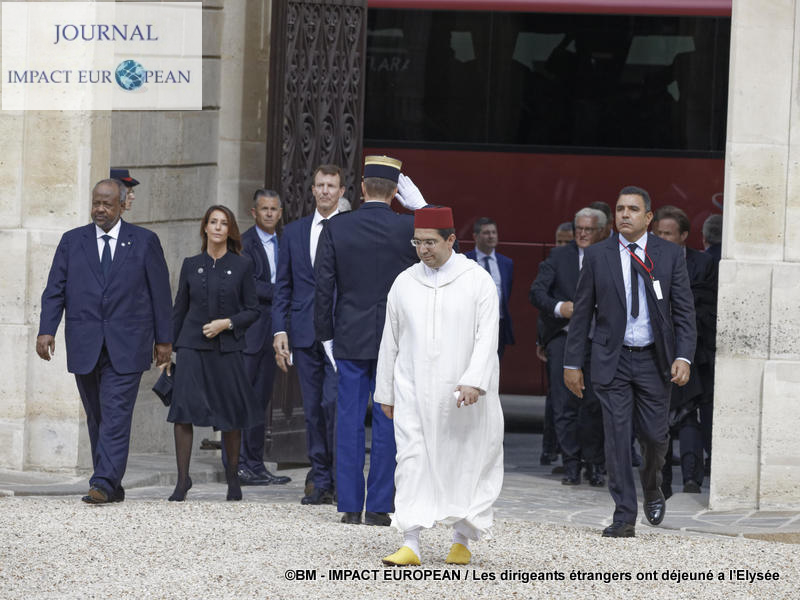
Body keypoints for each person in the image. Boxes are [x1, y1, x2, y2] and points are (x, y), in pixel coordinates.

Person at [564, 186, 696, 538]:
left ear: (648, 217)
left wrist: (683, 356)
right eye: (620, 208)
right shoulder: (597, 256)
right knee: (618, 438)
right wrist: (572, 363)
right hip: (613, 359)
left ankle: (652, 485)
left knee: (654, 436)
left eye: (633, 209)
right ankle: (624, 514)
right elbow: (581, 316)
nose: (625, 214)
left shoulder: (669, 255)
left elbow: (683, 312)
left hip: (655, 360)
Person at [376, 206, 504, 566]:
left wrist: (474, 381)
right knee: (411, 462)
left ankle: (461, 539)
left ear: (451, 239)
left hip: (462, 396)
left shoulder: (476, 280)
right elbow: (391, 340)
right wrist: (385, 391)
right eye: (418, 242)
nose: (423, 249)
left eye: (431, 242)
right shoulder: (404, 282)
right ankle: (411, 542)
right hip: (412, 390)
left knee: (463, 463)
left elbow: (486, 337)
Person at [36, 179, 172, 504]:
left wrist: (164, 341)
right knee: (97, 414)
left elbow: (161, 295)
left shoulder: (144, 242)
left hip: (128, 344)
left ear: (122, 205)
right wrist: (47, 330)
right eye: (96, 202)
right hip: (85, 343)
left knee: (116, 411)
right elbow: (55, 289)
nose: (100, 209)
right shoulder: (72, 242)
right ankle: (111, 483)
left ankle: (102, 481)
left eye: (107, 204)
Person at [314, 155, 425, 525]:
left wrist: (325, 337)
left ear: (361, 188)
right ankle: (379, 506)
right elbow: (445, 249)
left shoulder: (338, 228)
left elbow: (323, 288)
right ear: (396, 191)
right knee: (387, 419)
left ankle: (349, 505)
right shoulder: (408, 227)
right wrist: (423, 207)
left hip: (349, 335)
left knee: (347, 420)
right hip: (396, 339)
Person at [168, 205, 260, 502]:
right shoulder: (190, 264)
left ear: (229, 230)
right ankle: (183, 481)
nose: (218, 227)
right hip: (191, 347)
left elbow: (253, 310)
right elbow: (179, 308)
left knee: (231, 414)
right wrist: (166, 350)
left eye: (224, 223)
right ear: (205, 227)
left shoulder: (242, 265)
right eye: (213, 222)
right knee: (183, 412)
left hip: (227, 348)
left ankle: (233, 479)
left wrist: (227, 323)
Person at [273, 164, 342, 505]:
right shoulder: (295, 232)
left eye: (331, 185)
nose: (325, 190)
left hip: (341, 337)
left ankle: (339, 474)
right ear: (312, 190)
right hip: (303, 332)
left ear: (342, 192)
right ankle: (320, 479)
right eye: (320, 185)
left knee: (335, 404)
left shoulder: (349, 229)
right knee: (313, 408)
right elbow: (282, 286)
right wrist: (280, 329)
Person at [531, 208, 607, 487]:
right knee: (563, 405)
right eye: (579, 229)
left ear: (601, 231)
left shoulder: (610, 255)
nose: (583, 234)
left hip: (597, 339)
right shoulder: (558, 256)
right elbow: (537, 292)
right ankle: (571, 464)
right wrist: (560, 308)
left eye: (588, 229)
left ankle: (595, 464)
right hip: (563, 337)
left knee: (595, 405)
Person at [652, 206, 717, 496]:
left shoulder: (702, 263)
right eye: (658, 233)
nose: (662, 238)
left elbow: (707, 303)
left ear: (684, 236)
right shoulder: (646, 262)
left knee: (689, 414)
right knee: (658, 417)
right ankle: (660, 482)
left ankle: (692, 479)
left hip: (692, 351)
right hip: (654, 351)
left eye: (668, 233)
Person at [231, 190, 291, 486]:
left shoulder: (286, 241)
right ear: (253, 212)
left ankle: (255, 463)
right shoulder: (244, 243)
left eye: (274, 209)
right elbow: (249, 286)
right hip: (250, 333)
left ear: (280, 212)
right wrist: (283, 291)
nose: (269, 214)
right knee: (243, 400)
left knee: (261, 402)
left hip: (274, 333)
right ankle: (237, 463)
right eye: (263, 209)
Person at [465, 217, 515, 358]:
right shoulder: (465, 261)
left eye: (494, 232)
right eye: (486, 233)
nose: (491, 236)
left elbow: (507, 292)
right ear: (475, 236)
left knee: (495, 365)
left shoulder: (506, 263)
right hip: (472, 325)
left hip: (498, 324)